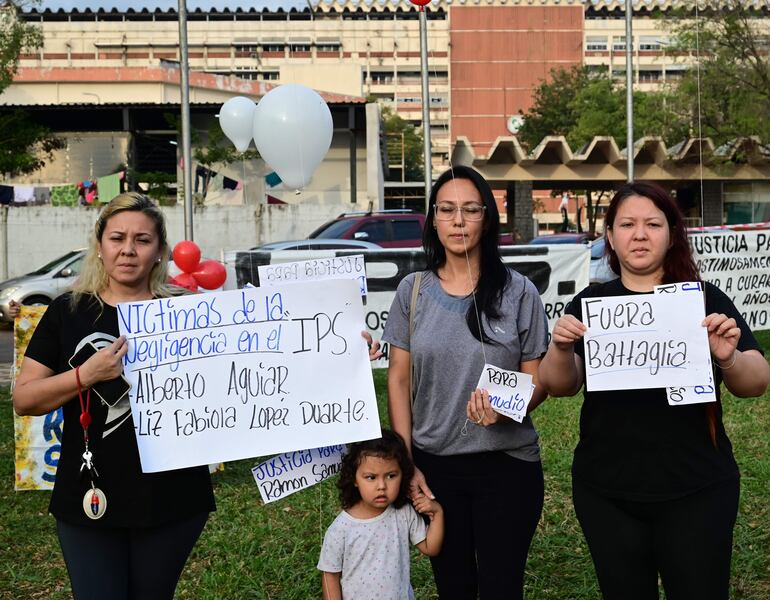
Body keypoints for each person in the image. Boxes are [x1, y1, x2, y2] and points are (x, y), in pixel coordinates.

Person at [538, 181, 770, 600]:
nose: (639, 234)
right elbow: (560, 385)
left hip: (698, 488)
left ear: (671, 233)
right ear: (609, 236)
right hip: (606, 490)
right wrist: (559, 346)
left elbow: (756, 383)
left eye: (652, 224)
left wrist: (728, 356)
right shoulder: (592, 304)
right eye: (627, 224)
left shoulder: (703, 299)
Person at [13, 192, 216, 599]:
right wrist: (84, 375)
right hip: (89, 495)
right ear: (100, 246)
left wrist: (346, 350)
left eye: (142, 239)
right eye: (117, 237)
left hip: (173, 499)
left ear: (159, 251)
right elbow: (25, 399)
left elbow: (262, 371)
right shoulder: (67, 311)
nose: (128, 250)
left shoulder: (188, 314)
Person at [383, 165, 549, 599]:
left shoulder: (519, 292)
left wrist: (507, 406)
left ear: (487, 218)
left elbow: (538, 380)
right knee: (453, 586)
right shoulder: (412, 291)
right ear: (434, 219)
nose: (458, 221)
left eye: (470, 210)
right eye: (448, 209)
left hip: (508, 465)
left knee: (501, 586)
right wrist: (406, 461)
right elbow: (398, 380)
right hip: (435, 466)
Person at [317, 429, 444, 600]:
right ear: (354, 478)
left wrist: (437, 513)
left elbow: (431, 547)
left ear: (403, 475)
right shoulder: (340, 529)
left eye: (391, 476)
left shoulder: (403, 513)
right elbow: (330, 576)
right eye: (371, 477)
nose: (381, 486)